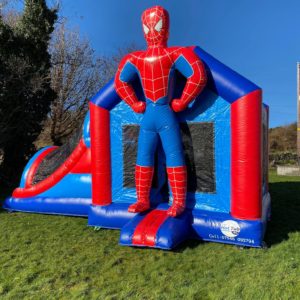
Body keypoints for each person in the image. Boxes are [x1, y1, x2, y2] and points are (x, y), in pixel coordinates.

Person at [114, 5, 207, 217]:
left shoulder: (171, 54)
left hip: (162, 114)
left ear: (165, 27)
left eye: (156, 26)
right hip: (154, 115)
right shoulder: (139, 58)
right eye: (148, 27)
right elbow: (120, 82)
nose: (152, 31)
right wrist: (135, 103)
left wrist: (183, 100)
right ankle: (142, 199)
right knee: (145, 156)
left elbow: (198, 75)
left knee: (171, 155)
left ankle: (178, 203)